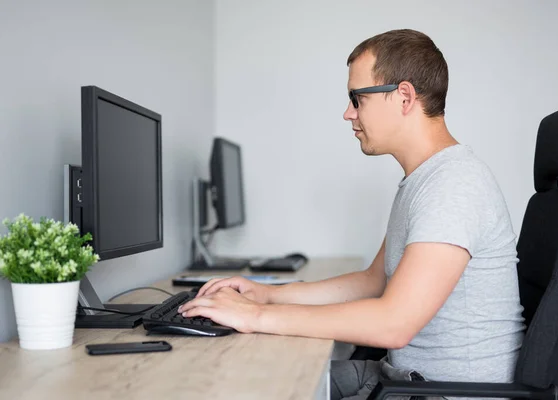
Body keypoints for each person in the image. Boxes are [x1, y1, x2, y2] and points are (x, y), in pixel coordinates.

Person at [178, 29, 526, 400]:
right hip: (403, 379)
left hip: (442, 393)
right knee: (255, 374)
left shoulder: (454, 185)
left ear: (404, 96)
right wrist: (267, 295)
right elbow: (374, 281)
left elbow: (395, 324)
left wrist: (254, 317)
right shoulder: (424, 179)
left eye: (357, 99)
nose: (348, 113)